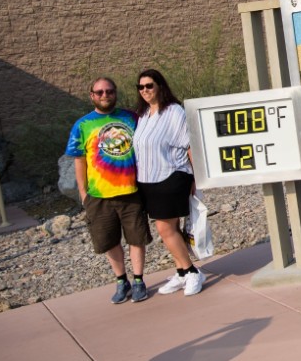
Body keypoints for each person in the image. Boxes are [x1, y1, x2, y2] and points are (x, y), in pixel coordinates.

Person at [66, 77, 152, 304]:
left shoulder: (132, 118)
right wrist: (83, 194)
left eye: (109, 91)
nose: (105, 95)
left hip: (131, 191)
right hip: (99, 196)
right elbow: (79, 161)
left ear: (115, 93)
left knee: (136, 238)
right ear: (92, 95)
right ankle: (121, 280)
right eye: (100, 92)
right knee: (109, 241)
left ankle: (139, 280)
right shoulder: (82, 125)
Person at [132, 69, 206, 296]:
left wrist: (196, 177)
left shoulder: (174, 112)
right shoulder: (144, 115)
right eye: (141, 87)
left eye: (149, 86)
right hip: (148, 180)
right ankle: (182, 272)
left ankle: (193, 272)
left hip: (171, 175)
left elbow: (189, 144)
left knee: (164, 229)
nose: (145, 90)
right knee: (170, 229)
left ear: (160, 86)